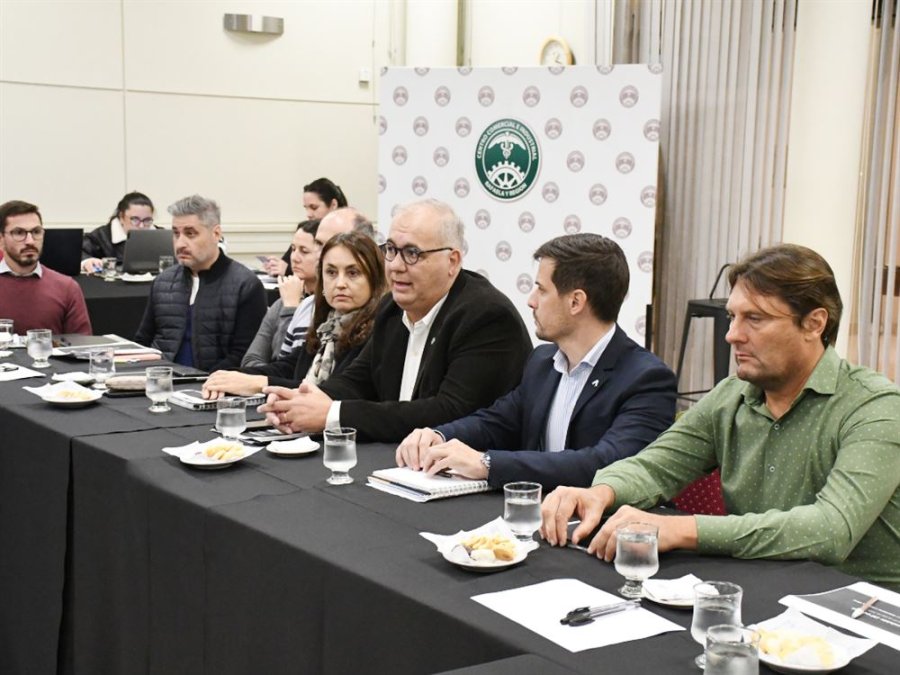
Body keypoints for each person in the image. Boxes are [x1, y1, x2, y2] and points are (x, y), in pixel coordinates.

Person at [541, 244, 900, 590]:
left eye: (754, 319)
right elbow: (654, 466)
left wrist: (681, 529)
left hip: (863, 616)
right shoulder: (731, 396)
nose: (731, 335)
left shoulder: (875, 408)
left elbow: (830, 530)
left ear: (814, 324)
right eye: (732, 317)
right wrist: (602, 492)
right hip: (762, 591)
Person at [395, 233, 677, 491]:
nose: (531, 301)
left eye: (541, 290)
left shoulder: (646, 379)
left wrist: (487, 464)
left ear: (575, 302)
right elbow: (498, 421)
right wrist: (439, 436)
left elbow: (606, 462)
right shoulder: (542, 361)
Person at [260, 199, 532, 442]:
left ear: (452, 261)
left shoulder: (486, 316)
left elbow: (448, 412)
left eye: (412, 253)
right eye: (391, 249)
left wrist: (333, 414)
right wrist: (301, 402)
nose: (395, 265)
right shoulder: (391, 308)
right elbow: (357, 380)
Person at [204, 209, 375, 397]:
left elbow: (336, 393)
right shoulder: (329, 320)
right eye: (332, 272)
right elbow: (288, 364)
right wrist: (231, 376)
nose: (322, 254)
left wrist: (259, 382)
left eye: (352, 273)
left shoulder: (380, 326)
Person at [134, 195, 266, 372]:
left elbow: (243, 354)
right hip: (162, 382)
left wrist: (201, 380)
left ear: (216, 234)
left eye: (190, 233)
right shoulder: (163, 281)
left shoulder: (246, 284)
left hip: (213, 387)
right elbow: (142, 343)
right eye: (175, 233)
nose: (180, 243)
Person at [0, 200, 92, 335]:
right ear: (1, 239)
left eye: (36, 232)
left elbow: (82, 347)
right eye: (19, 233)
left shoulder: (66, 288)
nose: (30, 241)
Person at [239, 220, 319, 369]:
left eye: (304, 251)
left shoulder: (324, 307)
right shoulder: (282, 303)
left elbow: (291, 366)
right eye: (293, 249)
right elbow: (250, 359)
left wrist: (291, 309)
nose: (294, 258)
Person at [262, 177, 348, 277]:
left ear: (333, 205)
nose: (309, 214)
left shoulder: (345, 236)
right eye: (306, 208)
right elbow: (286, 262)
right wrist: (276, 265)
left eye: (314, 207)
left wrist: (287, 270)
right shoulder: (305, 230)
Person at [81, 191, 155, 273]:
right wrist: (87, 261)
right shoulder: (101, 236)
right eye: (135, 219)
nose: (141, 226)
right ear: (121, 217)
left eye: (147, 220)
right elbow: (78, 252)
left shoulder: (162, 237)